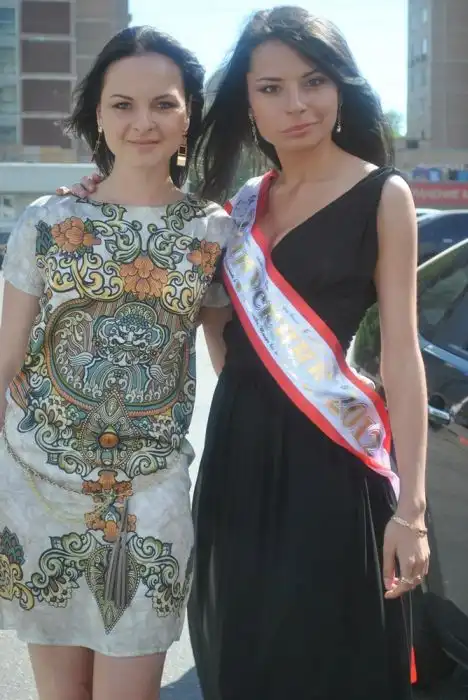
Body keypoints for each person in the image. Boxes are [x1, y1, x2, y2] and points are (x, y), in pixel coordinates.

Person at [59, 7, 430, 700]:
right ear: (248, 103)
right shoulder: (244, 204)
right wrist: (89, 198)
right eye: (271, 88)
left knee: (329, 658)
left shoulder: (384, 194)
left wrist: (411, 509)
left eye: (314, 81)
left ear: (341, 86)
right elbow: (214, 322)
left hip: (331, 462)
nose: (297, 104)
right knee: (241, 653)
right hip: (236, 457)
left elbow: (403, 358)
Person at [0, 26, 235, 700]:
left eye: (163, 104)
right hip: (36, 486)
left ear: (189, 117)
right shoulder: (47, 221)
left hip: (150, 499)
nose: (142, 123)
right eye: (122, 105)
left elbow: (227, 359)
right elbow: (6, 355)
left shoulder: (215, 231)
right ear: (97, 117)